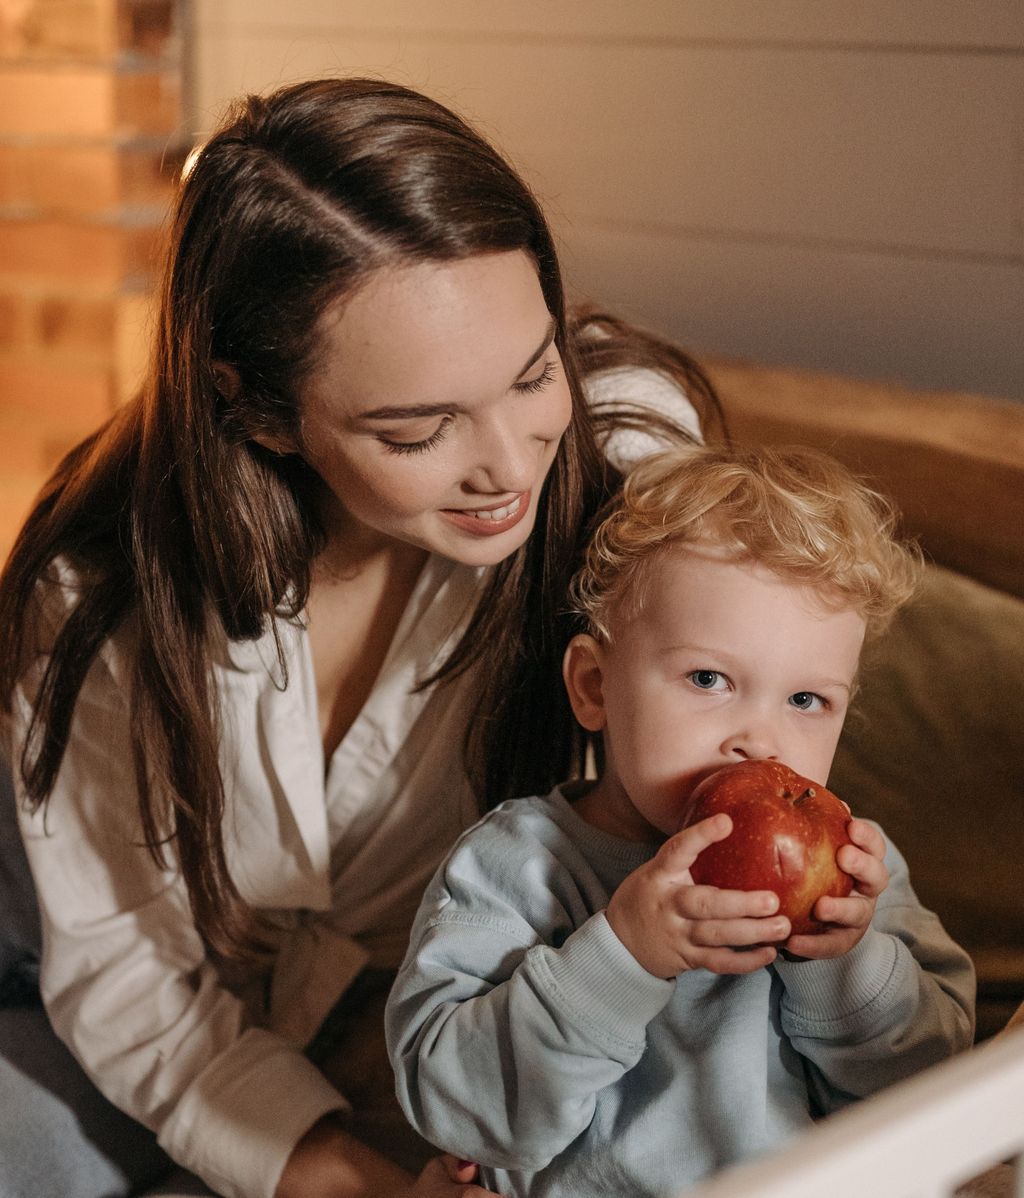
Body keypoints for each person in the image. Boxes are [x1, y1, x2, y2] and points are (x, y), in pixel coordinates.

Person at [0, 79, 720, 1198]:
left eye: (531, 374)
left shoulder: (627, 460)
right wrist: (346, 1178)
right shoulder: (99, 586)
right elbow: (126, 975)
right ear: (262, 411)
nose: (508, 463)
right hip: (50, 934)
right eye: (419, 428)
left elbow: (756, 708)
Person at [386, 444, 977, 1198]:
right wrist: (623, 958)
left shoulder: (857, 874)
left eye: (806, 701)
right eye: (708, 679)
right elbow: (459, 1113)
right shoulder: (519, 866)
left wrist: (840, 967)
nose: (758, 740)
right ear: (595, 687)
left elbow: (931, 1098)